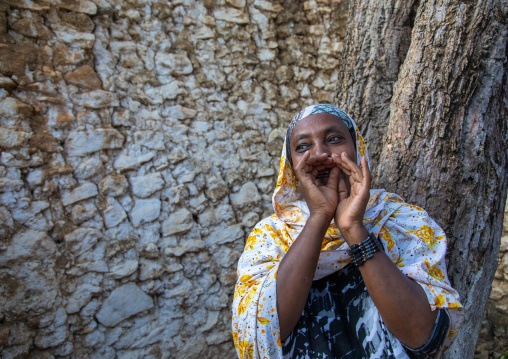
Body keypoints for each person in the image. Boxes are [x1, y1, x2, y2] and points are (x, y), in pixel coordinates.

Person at [232, 104, 464, 359]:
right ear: (291, 167)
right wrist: (319, 218)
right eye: (303, 146)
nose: (320, 154)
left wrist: (353, 228)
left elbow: (424, 337)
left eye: (334, 139)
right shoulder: (270, 236)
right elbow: (260, 335)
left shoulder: (399, 220)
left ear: (357, 150)